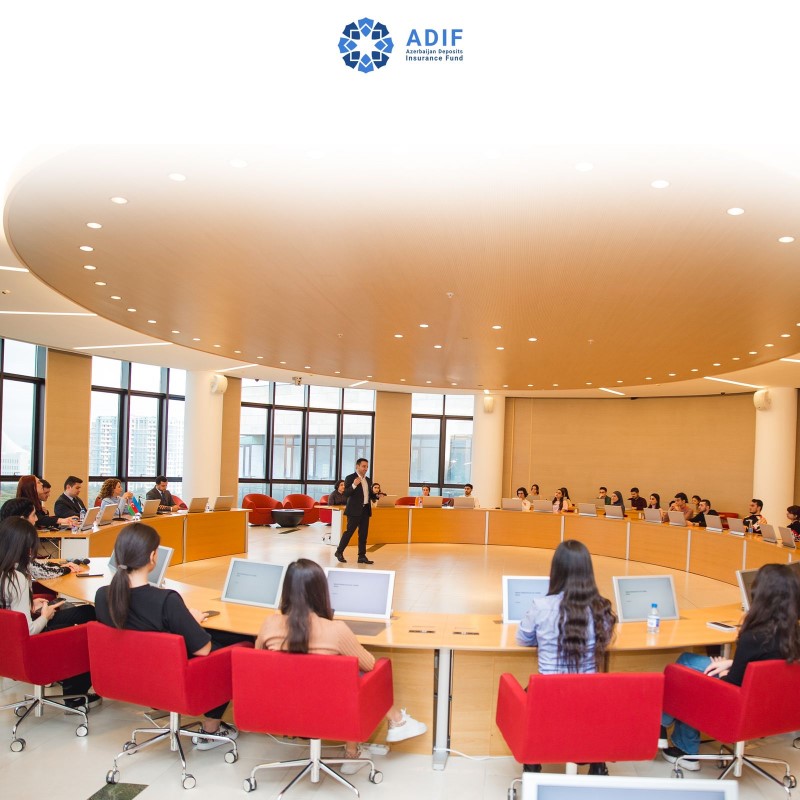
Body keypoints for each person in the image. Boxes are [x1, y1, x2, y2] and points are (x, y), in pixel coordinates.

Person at [256, 558, 426, 771]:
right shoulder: (336, 630)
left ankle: (384, 731)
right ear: (320, 591)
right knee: (353, 675)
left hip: (282, 708)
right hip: (332, 712)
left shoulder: (269, 624)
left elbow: (258, 660)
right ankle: (375, 737)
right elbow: (369, 664)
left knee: (340, 675)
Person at [94, 523, 249, 749]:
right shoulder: (166, 600)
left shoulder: (102, 596)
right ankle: (211, 729)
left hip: (133, 676)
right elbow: (203, 649)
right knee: (236, 648)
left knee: (221, 637)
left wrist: (184, 620)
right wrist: (189, 619)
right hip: (170, 677)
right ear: (152, 557)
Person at [661, 563, 800, 770]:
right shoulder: (793, 634)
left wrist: (726, 671)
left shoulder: (754, 636)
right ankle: (663, 724)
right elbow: (769, 668)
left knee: (686, 672)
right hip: (772, 707)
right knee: (689, 661)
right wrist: (732, 663)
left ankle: (683, 746)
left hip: (740, 705)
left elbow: (732, 684)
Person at [516, 540, 617, 775]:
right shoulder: (601, 608)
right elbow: (605, 640)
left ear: (556, 571)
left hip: (547, 698)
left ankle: (532, 764)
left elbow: (522, 638)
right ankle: (597, 765)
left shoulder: (541, 606)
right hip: (588, 697)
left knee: (524, 694)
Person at [0, 517, 98, 708]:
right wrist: (45, 616)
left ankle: (71, 684)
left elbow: (8, 610)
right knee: (86, 631)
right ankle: (74, 696)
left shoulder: (6, 571)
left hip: (7, 643)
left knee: (87, 612)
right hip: (29, 644)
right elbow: (29, 631)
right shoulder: (18, 578)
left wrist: (31, 604)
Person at [0, 498, 82, 579]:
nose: (36, 519)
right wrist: (67, 569)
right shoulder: (17, 542)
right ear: (22, 519)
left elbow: (33, 564)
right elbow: (38, 570)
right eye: (33, 515)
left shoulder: (7, 537)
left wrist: (60, 566)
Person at [334, 458, 377, 565]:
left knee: (363, 534)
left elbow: (369, 494)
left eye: (367, 467)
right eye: (363, 466)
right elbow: (346, 493)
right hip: (354, 510)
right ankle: (339, 552)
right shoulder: (350, 478)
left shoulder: (368, 480)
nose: (365, 469)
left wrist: (376, 496)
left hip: (365, 510)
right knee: (349, 532)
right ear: (357, 466)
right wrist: (354, 485)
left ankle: (362, 556)